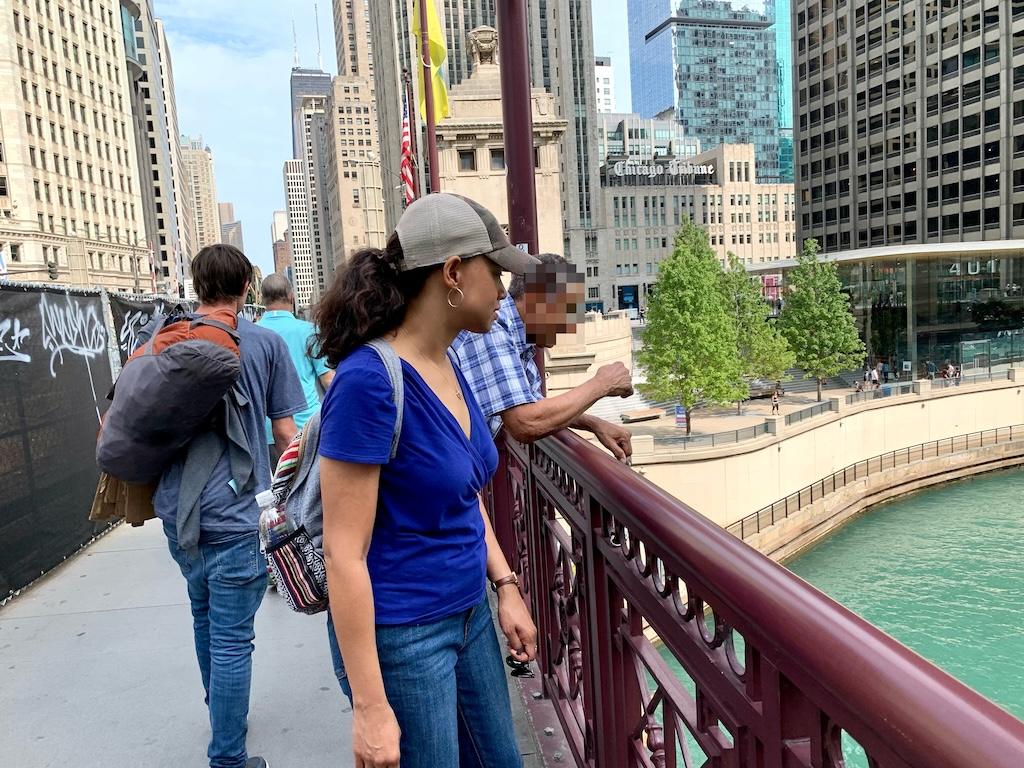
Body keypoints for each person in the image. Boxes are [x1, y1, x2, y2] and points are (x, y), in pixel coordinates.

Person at [314, 193, 539, 768]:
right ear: (454, 273)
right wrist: (370, 707)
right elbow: (343, 552)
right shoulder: (370, 381)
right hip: (404, 635)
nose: (505, 290)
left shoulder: (452, 359)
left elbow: (462, 495)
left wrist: (505, 584)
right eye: (497, 272)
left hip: (470, 616)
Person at [153, 245, 305, 768]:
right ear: (247, 288)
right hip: (238, 516)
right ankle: (228, 757)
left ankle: (223, 715)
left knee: (202, 617)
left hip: (177, 512)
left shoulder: (166, 340)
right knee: (234, 641)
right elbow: (286, 434)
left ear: (198, 287)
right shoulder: (262, 344)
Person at [451, 253, 635, 460]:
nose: (570, 326)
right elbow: (525, 423)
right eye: (568, 310)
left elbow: (532, 403)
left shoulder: (516, 336)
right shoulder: (495, 326)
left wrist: (593, 424)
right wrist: (603, 384)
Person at [257, 273, 334, 464]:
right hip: (307, 427)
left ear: (262, 298)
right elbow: (328, 380)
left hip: (266, 430)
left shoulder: (254, 332)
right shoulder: (309, 331)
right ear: (291, 296)